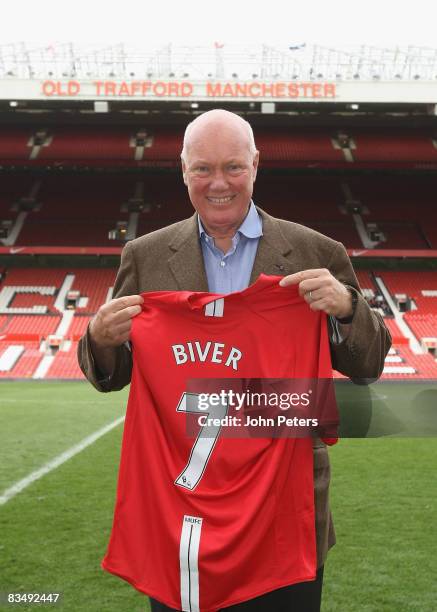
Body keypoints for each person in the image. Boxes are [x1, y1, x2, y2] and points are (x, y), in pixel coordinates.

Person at [78, 109, 391, 611]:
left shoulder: (317, 251)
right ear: (182, 169)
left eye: (233, 167)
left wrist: (349, 308)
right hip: (182, 509)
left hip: (286, 511)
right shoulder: (146, 256)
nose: (217, 183)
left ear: (256, 164)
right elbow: (110, 376)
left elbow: (370, 363)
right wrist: (99, 338)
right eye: (202, 168)